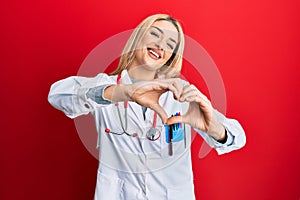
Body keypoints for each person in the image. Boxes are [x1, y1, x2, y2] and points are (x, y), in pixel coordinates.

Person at [48, 14, 246, 200]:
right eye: (155, 34)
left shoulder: (181, 94)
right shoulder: (107, 86)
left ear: (171, 56)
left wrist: (212, 127)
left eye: (170, 44)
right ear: (137, 38)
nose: (161, 45)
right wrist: (122, 92)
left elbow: (238, 139)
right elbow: (57, 95)